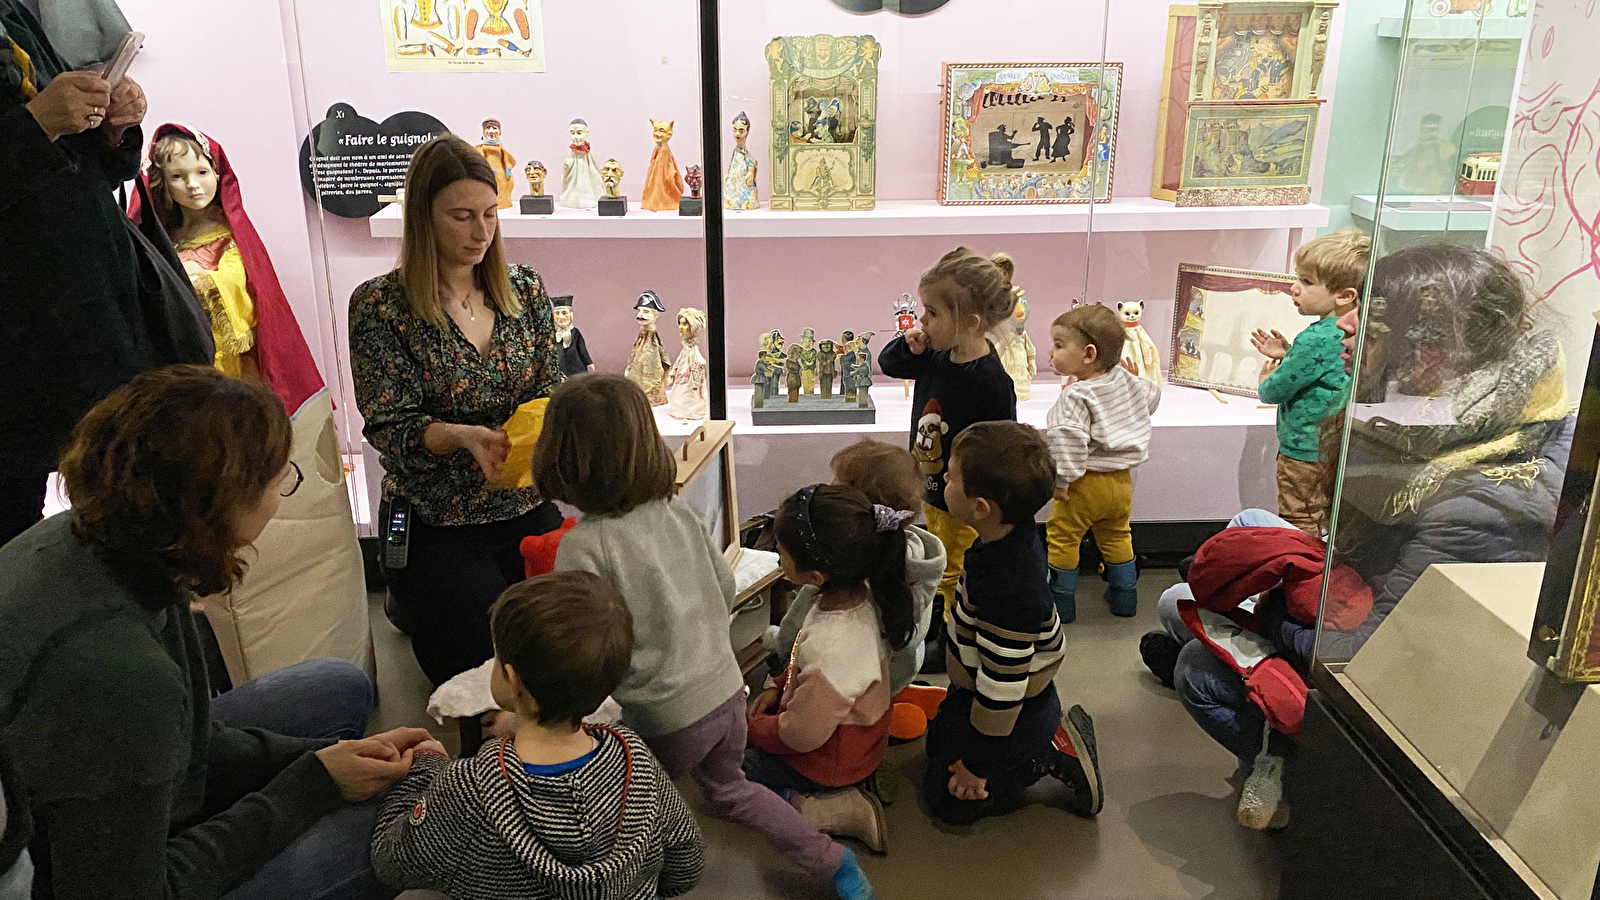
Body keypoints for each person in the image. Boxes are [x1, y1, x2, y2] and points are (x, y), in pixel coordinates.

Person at [1153, 244, 1572, 831]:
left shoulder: (1471, 507)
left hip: (1378, 666)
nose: (1343, 327)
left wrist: (1267, 613)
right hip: (1360, 592)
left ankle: (1299, 781)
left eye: (1369, 322)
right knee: (1230, 546)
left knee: (1195, 659)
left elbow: (1366, 659)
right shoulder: (1470, 421)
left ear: (1431, 353)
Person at [0, 365, 434, 899]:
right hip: (82, 874)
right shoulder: (120, 675)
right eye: (280, 482)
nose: (283, 493)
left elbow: (189, 740)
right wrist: (309, 786)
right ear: (215, 507)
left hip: (94, 789)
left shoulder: (105, 537)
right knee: (383, 827)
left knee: (334, 685)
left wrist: (320, 756)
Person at [533, 375, 875, 900]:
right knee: (730, 791)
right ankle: (834, 863)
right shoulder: (678, 512)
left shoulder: (583, 547)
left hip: (661, 716)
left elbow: (587, 649)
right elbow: (722, 588)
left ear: (562, 458)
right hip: (724, 693)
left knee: (630, 810)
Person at [349, 134, 563, 687]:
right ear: (422, 218)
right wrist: (462, 436)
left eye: (490, 214)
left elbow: (549, 387)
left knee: (562, 634)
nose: (480, 233)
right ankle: (408, 594)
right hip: (435, 514)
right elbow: (390, 427)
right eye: (461, 216)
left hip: (522, 501)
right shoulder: (379, 306)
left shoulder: (525, 289)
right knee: (478, 659)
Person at [372, 571, 704, 899]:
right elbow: (686, 864)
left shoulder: (467, 789)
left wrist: (422, 770)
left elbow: (392, 862)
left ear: (513, 680)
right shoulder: (636, 761)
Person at [0, 0, 152, 545]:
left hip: (83, 319)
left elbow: (87, 170)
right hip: (19, 346)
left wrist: (112, 127)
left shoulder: (16, 17)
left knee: (117, 507)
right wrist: (38, 122)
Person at [922, 421, 1102, 826]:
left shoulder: (1009, 592)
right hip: (985, 685)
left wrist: (978, 766)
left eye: (950, 477)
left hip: (1017, 705)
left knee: (948, 802)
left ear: (980, 507)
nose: (942, 480)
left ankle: (1048, 752)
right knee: (937, 746)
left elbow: (1003, 690)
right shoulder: (1003, 536)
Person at [745, 484, 916, 852]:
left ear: (817, 575)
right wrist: (778, 684)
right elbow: (801, 658)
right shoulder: (859, 594)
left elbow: (801, 735)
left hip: (831, 759)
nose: (776, 553)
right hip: (858, 740)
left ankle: (834, 808)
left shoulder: (832, 644)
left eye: (781, 549)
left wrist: (756, 729)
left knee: (744, 769)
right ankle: (850, 784)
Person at [879, 247, 1019, 673]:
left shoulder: (992, 381)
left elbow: (999, 448)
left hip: (961, 496)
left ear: (969, 322)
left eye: (933, 313)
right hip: (932, 486)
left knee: (952, 568)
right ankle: (932, 622)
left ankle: (947, 636)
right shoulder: (936, 356)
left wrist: (975, 494)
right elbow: (889, 365)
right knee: (938, 552)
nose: (923, 322)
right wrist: (910, 346)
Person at [766, 439, 948, 739]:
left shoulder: (842, 569)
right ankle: (898, 697)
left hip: (851, 684)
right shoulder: (911, 551)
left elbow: (795, 627)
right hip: (899, 666)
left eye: (835, 485)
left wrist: (782, 652)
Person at [1044, 304, 1162, 621]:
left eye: (1058, 345)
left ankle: (1062, 603)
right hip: (1121, 483)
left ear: (1088, 354)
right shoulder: (1124, 379)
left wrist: (1062, 481)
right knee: (1117, 535)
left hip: (1084, 484)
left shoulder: (1075, 396)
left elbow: (1066, 440)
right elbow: (1152, 398)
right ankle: (1125, 598)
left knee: (1063, 536)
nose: (1051, 353)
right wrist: (1132, 386)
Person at [1249, 227, 1369, 535]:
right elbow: (1323, 373)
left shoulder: (1315, 337)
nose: (1294, 288)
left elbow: (1272, 392)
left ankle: (1297, 577)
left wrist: (1268, 376)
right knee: (1324, 519)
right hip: (1333, 447)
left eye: (1306, 281)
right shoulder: (1350, 331)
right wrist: (1288, 352)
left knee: (1298, 520)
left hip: (1302, 452)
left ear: (1344, 295)